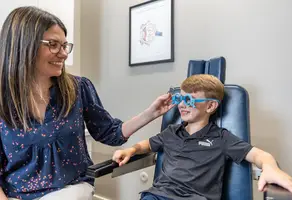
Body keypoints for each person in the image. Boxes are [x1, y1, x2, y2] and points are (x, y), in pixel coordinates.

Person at [0, 6, 174, 200]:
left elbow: (110, 132)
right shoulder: (3, 99)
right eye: (53, 44)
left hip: (72, 190)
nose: (64, 54)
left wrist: (151, 113)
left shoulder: (78, 88)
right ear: (23, 46)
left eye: (65, 45)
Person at [113, 74, 292, 200]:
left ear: (210, 106)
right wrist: (131, 149)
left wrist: (271, 168)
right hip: (156, 196)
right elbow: (146, 145)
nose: (181, 106)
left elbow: (260, 156)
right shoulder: (171, 132)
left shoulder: (222, 138)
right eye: (180, 99)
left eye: (189, 100)